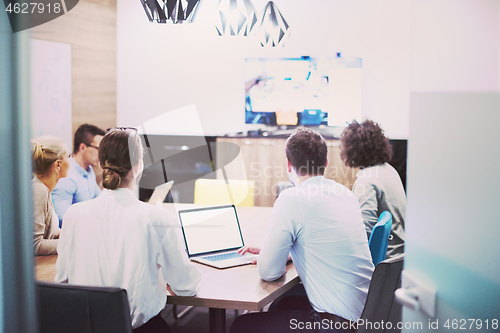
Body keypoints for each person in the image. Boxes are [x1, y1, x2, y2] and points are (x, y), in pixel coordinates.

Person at [55, 127, 201, 333]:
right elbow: (187, 286)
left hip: (85, 326)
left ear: (101, 162)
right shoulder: (157, 218)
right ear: (138, 166)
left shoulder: (74, 215)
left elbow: (62, 280)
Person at [231, 127, 374, 333]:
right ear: (325, 163)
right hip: (367, 315)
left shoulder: (292, 198)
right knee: (281, 305)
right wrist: (288, 254)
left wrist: (273, 256)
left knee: (241, 326)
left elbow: (269, 272)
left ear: (288, 164)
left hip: (334, 325)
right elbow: (324, 242)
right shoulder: (346, 194)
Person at [340, 119, 406, 258]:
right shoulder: (390, 170)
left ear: (352, 150)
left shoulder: (366, 181)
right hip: (401, 256)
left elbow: (364, 232)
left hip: (385, 260)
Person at [52, 124, 105, 227]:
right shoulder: (66, 176)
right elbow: (62, 219)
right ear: (82, 147)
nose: (102, 154)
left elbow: (101, 199)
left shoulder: (89, 171)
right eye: (99, 149)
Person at [31, 136, 71, 255]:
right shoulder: (39, 190)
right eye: (68, 157)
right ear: (58, 164)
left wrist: (62, 233)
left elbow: (48, 231)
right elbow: (35, 245)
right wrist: (72, 243)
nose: (71, 161)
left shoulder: (44, 189)